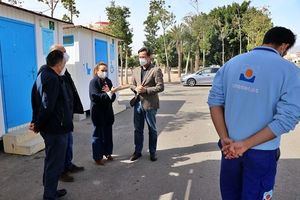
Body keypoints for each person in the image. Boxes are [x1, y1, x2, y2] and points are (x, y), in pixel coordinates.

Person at [208, 26, 300, 199]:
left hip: (229, 148)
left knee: (230, 195)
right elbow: (286, 119)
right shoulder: (291, 72)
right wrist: (245, 145)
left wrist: (224, 137)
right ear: (283, 46)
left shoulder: (231, 63)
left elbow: (214, 102)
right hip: (262, 153)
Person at [30, 50, 73, 199]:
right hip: (55, 129)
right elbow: (46, 106)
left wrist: (35, 121)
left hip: (51, 128)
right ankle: (49, 195)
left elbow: (36, 101)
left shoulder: (43, 74)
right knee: (55, 163)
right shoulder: (52, 78)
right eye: (64, 62)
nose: (64, 65)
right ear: (59, 64)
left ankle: (51, 190)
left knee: (51, 160)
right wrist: (37, 124)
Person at [38, 44, 85, 183]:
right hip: (57, 121)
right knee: (57, 152)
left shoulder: (63, 69)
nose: (66, 54)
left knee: (68, 144)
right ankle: (60, 173)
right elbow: (46, 102)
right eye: (63, 52)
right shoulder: (49, 73)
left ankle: (67, 165)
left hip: (66, 116)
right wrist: (38, 122)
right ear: (56, 55)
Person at [129, 47, 164, 162]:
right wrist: (136, 88)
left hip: (150, 105)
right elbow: (131, 85)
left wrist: (146, 90)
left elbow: (160, 87)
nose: (141, 59)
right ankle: (137, 151)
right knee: (137, 129)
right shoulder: (135, 70)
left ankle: (152, 152)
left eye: (143, 57)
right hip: (138, 104)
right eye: (139, 57)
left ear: (149, 57)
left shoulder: (156, 70)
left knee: (152, 129)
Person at [89, 62, 117, 165]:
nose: (104, 72)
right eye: (102, 70)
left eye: (106, 70)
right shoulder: (94, 82)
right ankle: (97, 157)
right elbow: (94, 96)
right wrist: (108, 94)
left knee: (108, 134)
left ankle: (108, 153)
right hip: (98, 113)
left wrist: (110, 92)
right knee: (98, 136)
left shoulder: (108, 81)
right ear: (97, 71)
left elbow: (113, 97)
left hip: (108, 113)